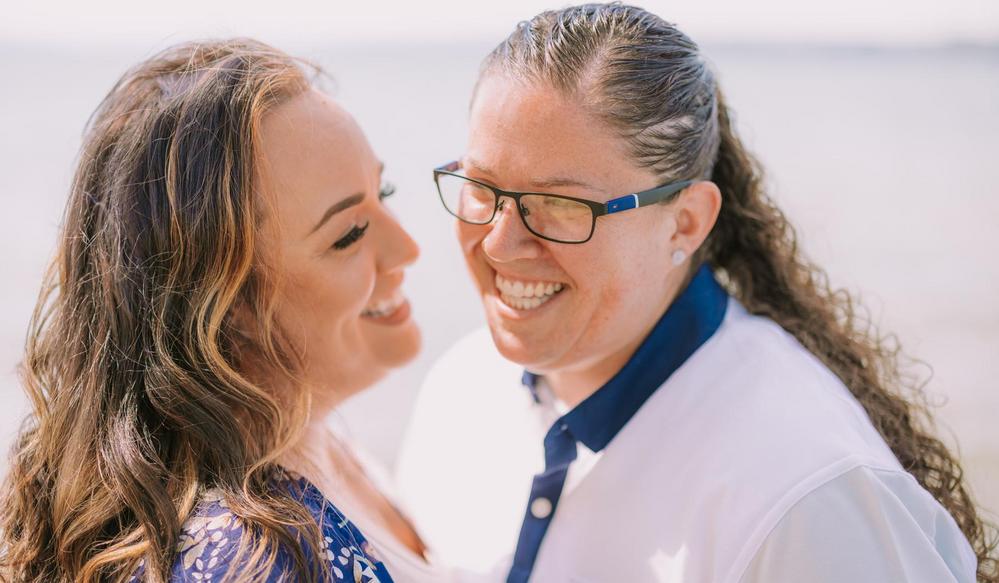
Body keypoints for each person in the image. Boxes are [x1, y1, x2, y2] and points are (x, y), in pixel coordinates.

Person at [396, 4, 998, 582]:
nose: (500, 244)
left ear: (684, 223)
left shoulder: (805, 497)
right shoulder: (460, 387)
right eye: (481, 188)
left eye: (559, 204)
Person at [0, 39, 446, 583]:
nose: (407, 249)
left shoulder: (319, 447)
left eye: (385, 191)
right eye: (349, 234)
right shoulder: (241, 560)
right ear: (225, 308)